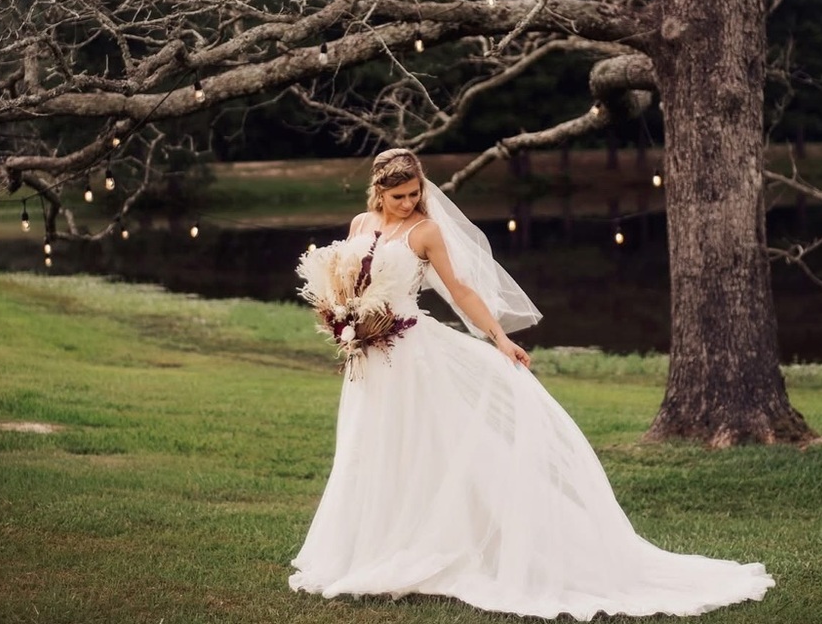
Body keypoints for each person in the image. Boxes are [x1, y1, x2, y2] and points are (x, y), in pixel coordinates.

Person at [289, 149, 775, 619]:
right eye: (399, 196)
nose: (408, 202)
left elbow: (460, 290)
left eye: (415, 193)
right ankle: (373, 547)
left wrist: (500, 337)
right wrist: (343, 316)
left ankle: (441, 543)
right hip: (368, 356)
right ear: (379, 191)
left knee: (425, 443)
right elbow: (350, 282)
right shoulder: (360, 224)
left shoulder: (426, 231)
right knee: (373, 445)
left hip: (411, 352)